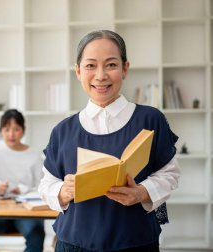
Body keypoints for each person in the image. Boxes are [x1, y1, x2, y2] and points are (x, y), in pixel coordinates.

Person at [38, 30, 180, 252]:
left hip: (135, 243)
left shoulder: (151, 119)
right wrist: (64, 191)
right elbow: (46, 184)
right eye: (91, 65)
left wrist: (141, 192)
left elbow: (169, 174)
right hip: (74, 245)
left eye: (111, 65)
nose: (101, 75)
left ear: (125, 68)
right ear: (78, 71)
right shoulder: (62, 131)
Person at [0, 109, 45, 252]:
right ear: (1, 131)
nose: (11, 134)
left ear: (23, 131)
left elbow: (42, 186)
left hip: (26, 210)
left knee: (36, 233)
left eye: (16, 129)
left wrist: (23, 189)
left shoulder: (34, 154)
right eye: (7, 129)